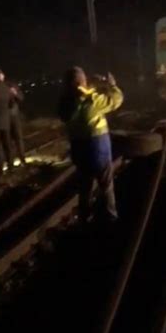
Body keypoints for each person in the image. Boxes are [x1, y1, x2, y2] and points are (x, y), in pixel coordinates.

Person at [58, 67, 123, 223]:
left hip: (78, 149)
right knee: (106, 185)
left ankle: (84, 218)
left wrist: (89, 86)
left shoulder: (64, 102)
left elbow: (78, 96)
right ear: (82, 81)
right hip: (97, 148)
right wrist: (111, 85)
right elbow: (116, 99)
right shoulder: (91, 99)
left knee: (84, 186)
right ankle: (110, 217)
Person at [8, 81, 27, 166]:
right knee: (7, 141)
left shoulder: (12, 85)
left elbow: (21, 98)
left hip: (14, 116)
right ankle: (10, 162)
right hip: (5, 118)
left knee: (18, 139)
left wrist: (15, 93)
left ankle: (22, 159)